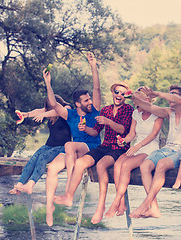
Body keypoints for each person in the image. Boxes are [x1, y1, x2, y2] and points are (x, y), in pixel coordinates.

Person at [54, 81, 134, 225]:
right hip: (104, 146)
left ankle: (100, 207)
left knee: (101, 165)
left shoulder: (128, 109)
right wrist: (84, 129)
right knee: (80, 162)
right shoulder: (106, 110)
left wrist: (108, 122)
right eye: (117, 92)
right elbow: (95, 131)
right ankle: (69, 196)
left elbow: (123, 130)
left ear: (125, 97)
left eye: (123, 93)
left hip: (119, 148)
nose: (119, 95)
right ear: (112, 93)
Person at [44, 52, 102, 226]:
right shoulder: (70, 114)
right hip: (72, 151)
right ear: (78, 103)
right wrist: (48, 83)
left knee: (69, 145)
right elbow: (54, 104)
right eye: (86, 100)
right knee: (52, 169)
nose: (90, 101)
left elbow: (97, 88)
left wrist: (93, 65)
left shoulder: (95, 110)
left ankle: (69, 192)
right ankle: (49, 208)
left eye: (90, 98)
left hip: (90, 147)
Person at [128, 85, 181, 218]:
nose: (170, 96)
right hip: (167, 149)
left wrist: (156, 93)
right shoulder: (168, 112)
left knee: (161, 164)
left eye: (174, 94)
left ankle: (144, 205)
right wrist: (131, 97)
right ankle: (154, 208)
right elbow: (148, 106)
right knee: (145, 165)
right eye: (169, 93)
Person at [104, 88, 163, 218]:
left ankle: (115, 202)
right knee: (118, 163)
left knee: (126, 165)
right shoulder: (136, 113)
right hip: (137, 146)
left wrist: (137, 146)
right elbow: (132, 134)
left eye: (137, 102)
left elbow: (153, 135)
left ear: (146, 101)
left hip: (149, 148)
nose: (135, 105)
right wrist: (124, 141)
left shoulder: (157, 114)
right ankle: (122, 203)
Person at [9, 95, 72, 195]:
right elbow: (39, 111)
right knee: (33, 158)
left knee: (43, 157)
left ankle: (30, 185)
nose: (48, 111)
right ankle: (19, 185)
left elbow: (57, 111)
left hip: (62, 147)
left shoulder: (68, 108)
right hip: (49, 145)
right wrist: (27, 114)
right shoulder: (48, 112)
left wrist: (44, 114)